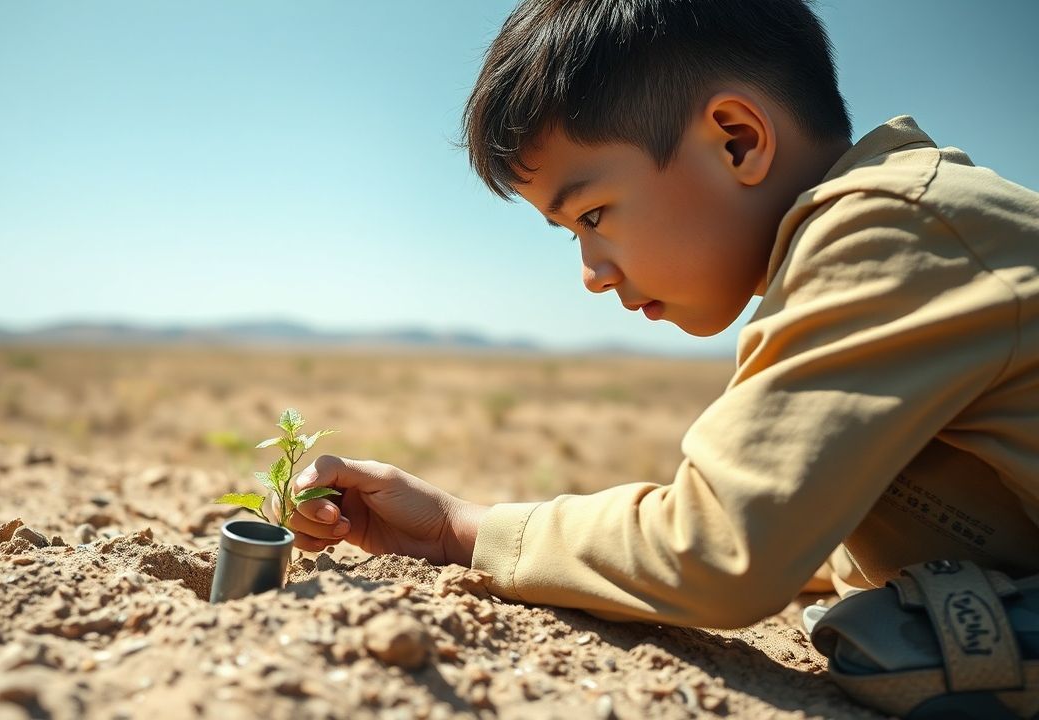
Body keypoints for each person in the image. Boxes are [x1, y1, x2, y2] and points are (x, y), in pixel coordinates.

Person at [286, 0, 1039, 633]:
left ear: (737, 141)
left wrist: (460, 528)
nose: (593, 274)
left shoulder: (889, 231)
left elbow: (717, 551)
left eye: (593, 215)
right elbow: (805, 524)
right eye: (573, 235)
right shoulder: (898, 231)